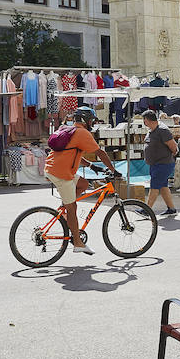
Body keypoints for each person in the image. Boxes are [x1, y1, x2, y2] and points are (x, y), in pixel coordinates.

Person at [43, 107, 116, 255]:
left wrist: (91, 166)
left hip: (53, 168)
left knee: (83, 184)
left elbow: (72, 153)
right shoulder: (83, 133)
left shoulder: (67, 129)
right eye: (91, 120)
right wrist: (114, 170)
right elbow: (100, 153)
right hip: (61, 174)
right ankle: (77, 242)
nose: (92, 123)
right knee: (72, 208)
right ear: (86, 120)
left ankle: (64, 211)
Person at [141, 110, 179, 216]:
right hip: (155, 164)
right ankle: (171, 209)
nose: (144, 122)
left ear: (147, 120)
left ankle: (147, 210)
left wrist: (170, 156)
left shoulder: (162, 130)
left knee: (154, 187)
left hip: (163, 164)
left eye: (144, 120)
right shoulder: (151, 130)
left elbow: (173, 146)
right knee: (163, 186)